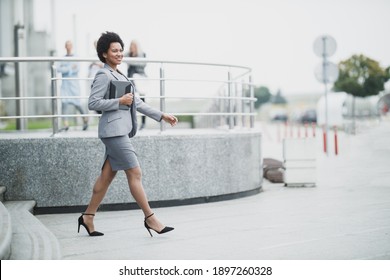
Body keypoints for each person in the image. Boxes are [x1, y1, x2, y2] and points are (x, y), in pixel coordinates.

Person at [78, 31, 178, 237]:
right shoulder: (103, 74)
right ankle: (150, 219)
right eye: (114, 50)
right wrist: (119, 102)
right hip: (114, 133)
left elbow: (137, 103)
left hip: (119, 131)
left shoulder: (120, 74)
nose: (119, 53)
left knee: (106, 177)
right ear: (104, 54)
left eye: (121, 50)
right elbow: (93, 103)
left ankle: (88, 216)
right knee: (135, 173)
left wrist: (162, 115)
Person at [58, 40, 88, 131]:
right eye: (67, 45)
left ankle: (85, 120)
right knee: (64, 104)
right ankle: (66, 124)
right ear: (65, 47)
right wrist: (70, 68)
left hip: (74, 84)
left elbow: (77, 69)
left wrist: (66, 69)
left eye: (70, 45)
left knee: (78, 104)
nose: (68, 47)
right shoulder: (62, 58)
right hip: (65, 85)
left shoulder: (76, 57)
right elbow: (59, 69)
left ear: (72, 46)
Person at [127, 40, 147, 130]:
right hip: (130, 79)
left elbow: (143, 64)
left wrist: (131, 61)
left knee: (142, 101)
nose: (132, 47)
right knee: (130, 101)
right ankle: (132, 123)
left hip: (140, 79)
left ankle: (143, 123)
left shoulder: (142, 54)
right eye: (131, 45)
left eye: (133, 45)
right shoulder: (128, 54)